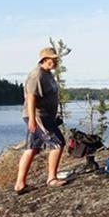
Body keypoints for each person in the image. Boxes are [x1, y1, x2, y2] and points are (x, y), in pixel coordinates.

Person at [14, 47, 67, 193]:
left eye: (56, 59)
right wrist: (32, 119)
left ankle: (20, 184)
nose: (56, 62)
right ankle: (51, 179)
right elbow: (31, 97)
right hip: (38, 115)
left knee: (31, 148)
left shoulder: (47, 74)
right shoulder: (37, 75)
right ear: (44, 59)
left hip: (44, 116)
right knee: (57, 143)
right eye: (53, 59)